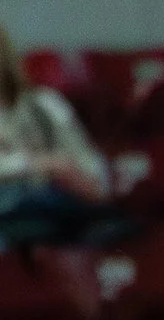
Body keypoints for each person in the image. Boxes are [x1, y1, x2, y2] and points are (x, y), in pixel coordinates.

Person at [0, 31, 118, 248]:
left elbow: (94, 180)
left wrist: (74, 177)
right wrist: (39, 164)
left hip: (49, 215)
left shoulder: (44, 106)